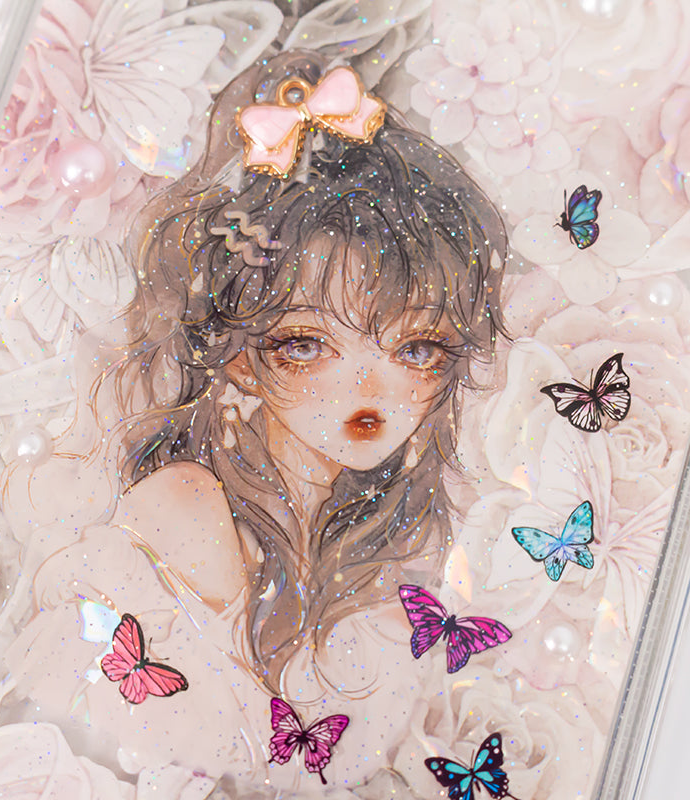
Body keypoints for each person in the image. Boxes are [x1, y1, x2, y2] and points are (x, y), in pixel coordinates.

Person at [110, 49, 507, 706]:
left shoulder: (394, 523)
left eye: (416, 349)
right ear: (239, 357)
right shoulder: (185, 506)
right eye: (307, 345)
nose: (370, 391)